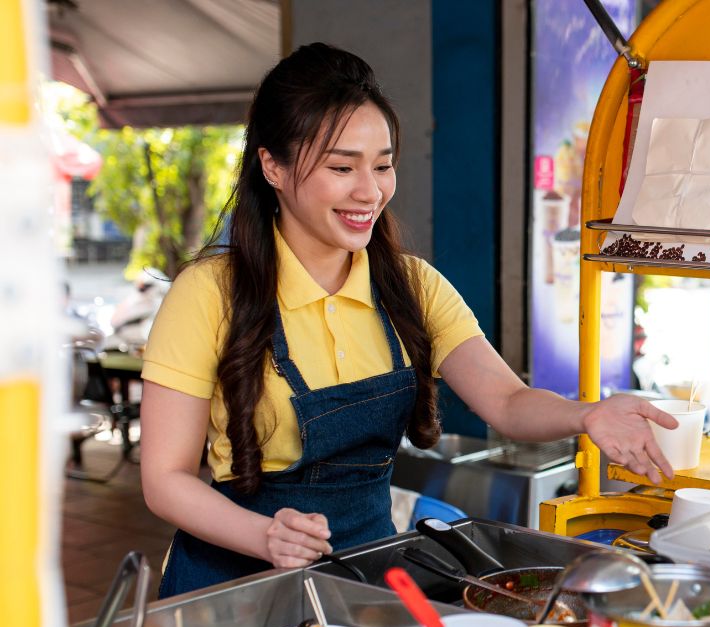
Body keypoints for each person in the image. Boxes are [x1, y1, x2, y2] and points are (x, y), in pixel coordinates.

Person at [141, 44, 678, 598]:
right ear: (272, 166)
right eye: (342, 167)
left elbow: (507, 402)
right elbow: (165, 479)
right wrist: (264, 535)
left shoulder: (412, 287)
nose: (370, 191)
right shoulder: (210, 293)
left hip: (367, 576)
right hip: (233, 585)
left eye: (383, 164)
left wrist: (587, 415)